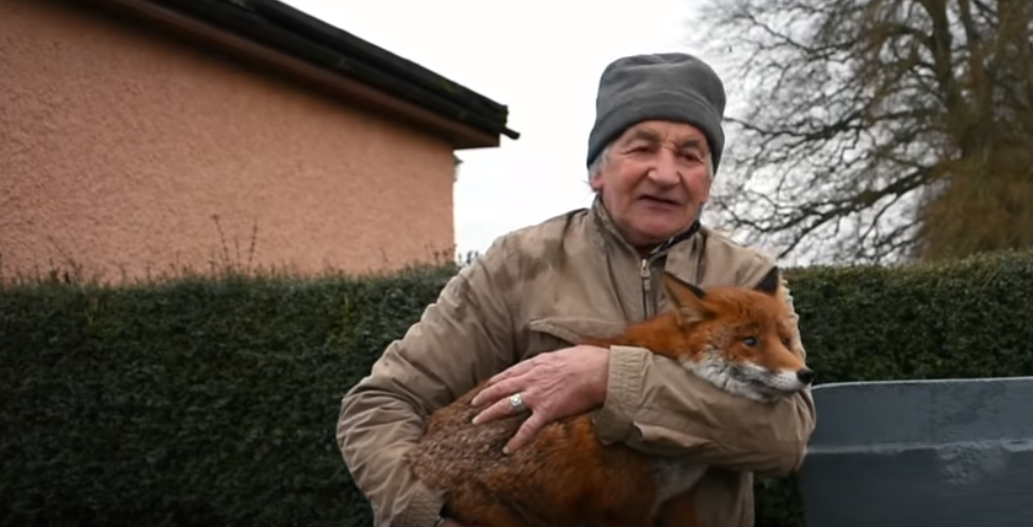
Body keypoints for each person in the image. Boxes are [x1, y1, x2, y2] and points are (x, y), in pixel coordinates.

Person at [337, 52, 817, 527]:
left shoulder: (749, 278)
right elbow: (380, 404)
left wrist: (612, 379)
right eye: (641, 147)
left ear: (707, 183)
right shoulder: (519, 264)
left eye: (690, 155)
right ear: (597, 170)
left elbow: (785, 438)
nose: (666, 174)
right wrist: (422, 516)